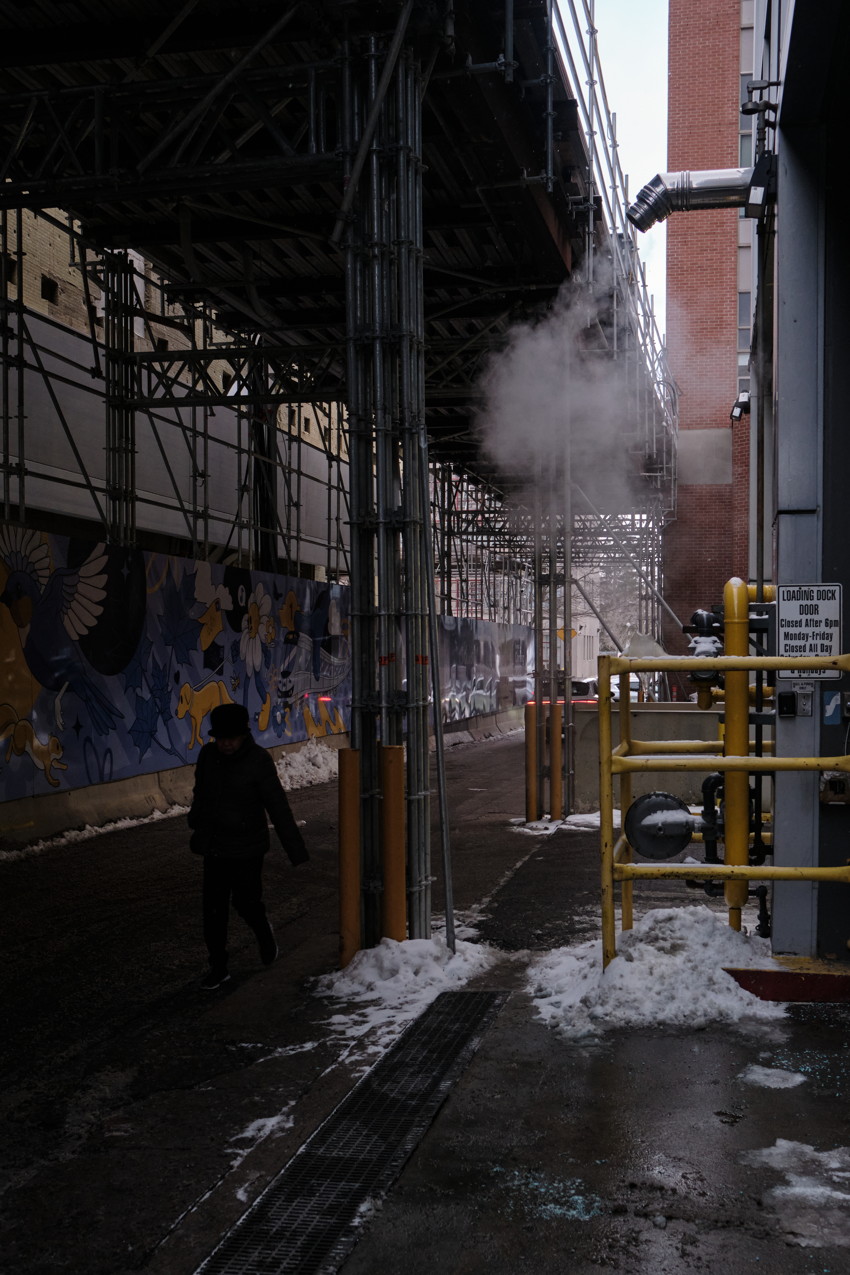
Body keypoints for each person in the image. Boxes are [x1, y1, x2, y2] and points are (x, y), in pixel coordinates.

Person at [187, 702, 308, 989]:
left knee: (246, 902)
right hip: (215, 847)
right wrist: (197, 820)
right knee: (213, 910)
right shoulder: (208, 756)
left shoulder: (257, 760)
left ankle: (263, 931)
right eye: (221, 738)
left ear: (243, 735)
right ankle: (218, 967)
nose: (226, 743)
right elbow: (201, 793)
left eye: (231, 737)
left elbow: (277, 806)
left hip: (247, 849)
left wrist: (295, 850)